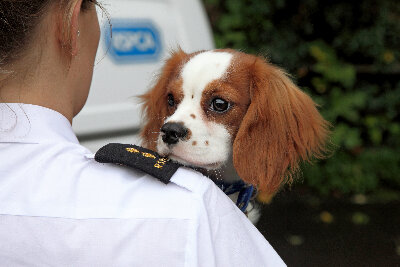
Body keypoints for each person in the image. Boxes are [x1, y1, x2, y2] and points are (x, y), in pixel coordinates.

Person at [0, 0, 286, 266]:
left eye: (219, 104)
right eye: (172, 101)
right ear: (70, 22)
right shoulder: (191, 208)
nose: (173, 120)